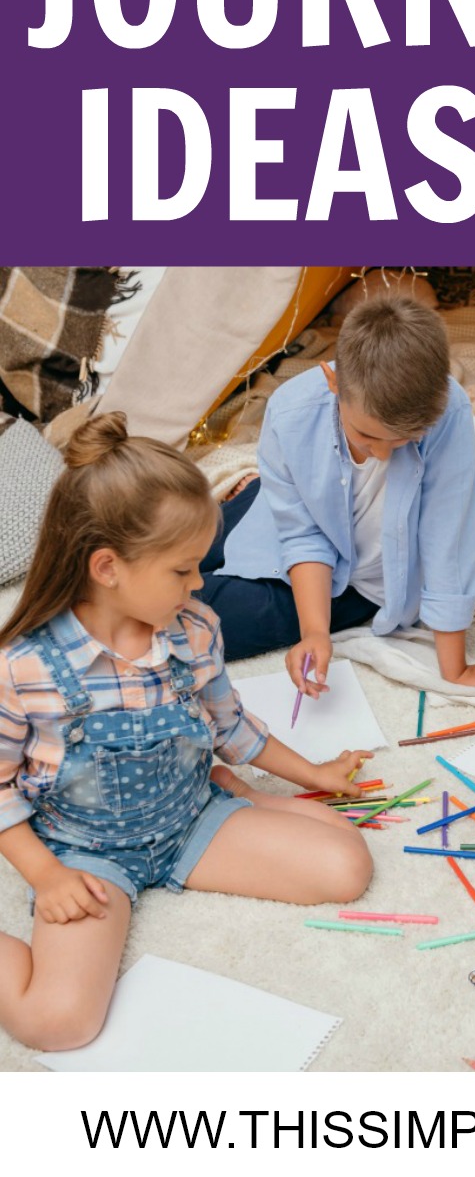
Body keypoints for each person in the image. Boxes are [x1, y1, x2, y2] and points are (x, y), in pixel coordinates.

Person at [0, 415, 373, 1053]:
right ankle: (241, 802)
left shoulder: (194, 628)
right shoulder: (23, 667)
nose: (200, 585)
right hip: (89, 855)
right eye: (183, 570)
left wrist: (312, 776)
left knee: (348, 864)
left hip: (190, 819)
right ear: (108, 567)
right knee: (54, 1024)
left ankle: (243, 798)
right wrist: (46, 878)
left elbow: (229, 724)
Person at [199, 294, 475, 695]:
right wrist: (316, 631)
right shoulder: (290, 410)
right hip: (280, 515)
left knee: (188, 615)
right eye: (368, 435)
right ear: (333, 383)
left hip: (357, 578)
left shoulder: (449, 413)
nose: (385, 453)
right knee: (160, 549)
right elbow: (301, 531)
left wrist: (455, 669)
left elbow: (448, 540)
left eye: (406, 439)